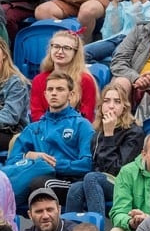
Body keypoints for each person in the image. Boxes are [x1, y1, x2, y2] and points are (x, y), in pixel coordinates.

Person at [5, 71, 93, 206]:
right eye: (50, 89)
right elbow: (12, 162)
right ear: (45, 94)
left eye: (60, 89)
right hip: (36, 176)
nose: (54, 93)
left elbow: (87, 164)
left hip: (69, 181)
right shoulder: (33, 128)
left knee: (39, 183)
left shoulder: (82, 125)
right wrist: (29, 156)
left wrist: (54, 164)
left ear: (70, 95)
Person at [64, 83, 143, 216]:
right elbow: (95, 165)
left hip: (124, 184)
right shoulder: (98, 132)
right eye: (106, 101)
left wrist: (109, 136)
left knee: (91, 178)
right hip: (99, 180)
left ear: (124, 107)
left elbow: (116, 170)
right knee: (75, 188)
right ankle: (71, 227)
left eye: (117, 102)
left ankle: (97, 227)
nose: (111, 106)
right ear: (101, 107)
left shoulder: (134, 133)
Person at [29, 30, 97, 123]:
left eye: (66, 48)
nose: (60, 52)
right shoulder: (39, 80)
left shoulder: (85, 80)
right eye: (56, 46)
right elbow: (36, 114)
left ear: (75, 53)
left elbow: (87, 116)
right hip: (45, 129)